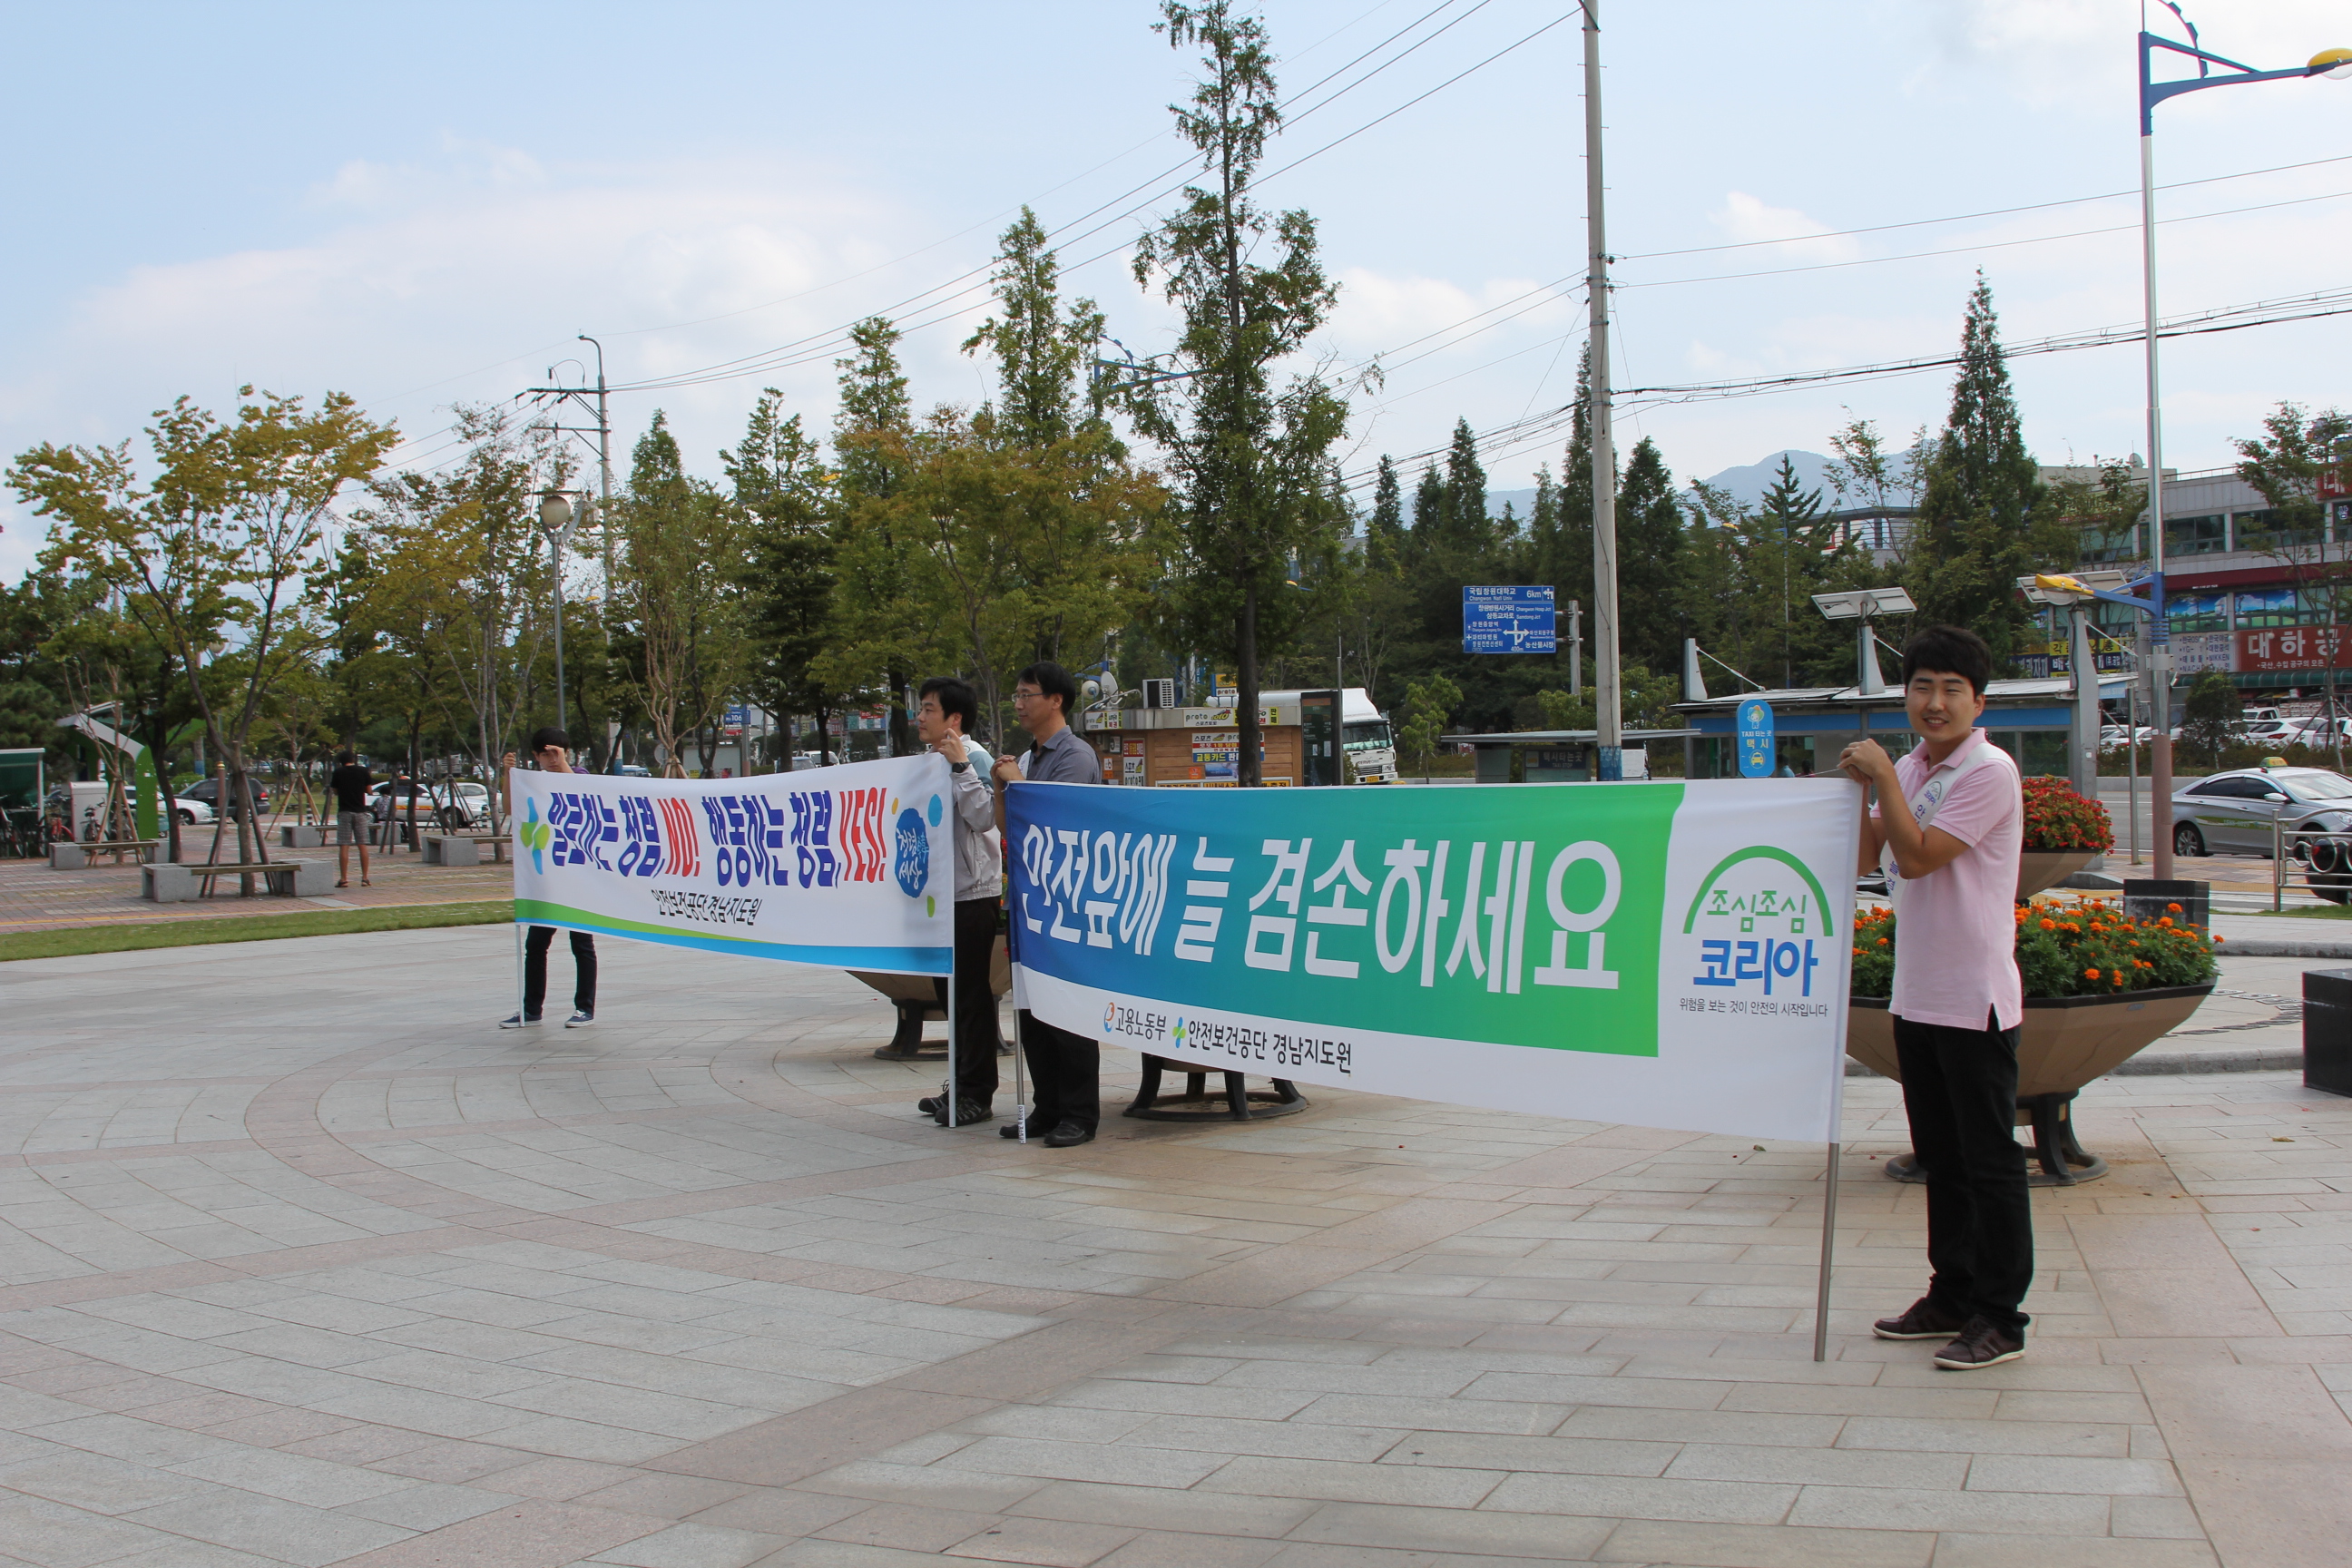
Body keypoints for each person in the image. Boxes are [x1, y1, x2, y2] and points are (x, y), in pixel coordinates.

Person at [1838, 625, 2029, 1370]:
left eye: (1952, 688)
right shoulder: (1914, 767)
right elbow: (1868, 855)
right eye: (1922, 686)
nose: (1935, 701)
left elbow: (1915, 860)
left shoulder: (1989, 771)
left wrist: (1882, 776)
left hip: (1973, 998)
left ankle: (2001, 1318)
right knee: (1941, 1158)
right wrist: (1864, 790)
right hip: (1918, 993)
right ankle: (1951, 1294)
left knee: (1989, 1163)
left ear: (1979, 701)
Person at [991, 662, 1103, 1148]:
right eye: (1016, 695)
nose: (1019, 703)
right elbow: (1009, 824)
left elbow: (1057, 820)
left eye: (1026, 694)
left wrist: (1017, 781)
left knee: (1069, 1012)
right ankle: (1046, 1107)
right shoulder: (1030, 758)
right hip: (1030, 900)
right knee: (1033, 1011)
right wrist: (1003, 785)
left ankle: (1080, 1114)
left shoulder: (1074, 755)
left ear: (1055, 700)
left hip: (1068, 903)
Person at [914, 676, 1002, 1128]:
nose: (920, 717)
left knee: (970, 997)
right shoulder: (926, 762)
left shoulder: (975, 758)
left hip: (972, 895)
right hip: (937, 899)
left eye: (929, 709)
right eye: (920, 708)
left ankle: (978, 1093)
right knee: (949, 994)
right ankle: (959, 1081)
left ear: (954, 718)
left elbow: (987, 816)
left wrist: (961, 768)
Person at [499, 727, 598, 1030]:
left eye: (556, 753)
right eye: (545, 754)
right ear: (536, 755)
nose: (551, 759)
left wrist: (562, 762)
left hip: (578, 877)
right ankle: (531, 1009)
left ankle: (584, 1008)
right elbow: (509, 809)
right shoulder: (532, 783)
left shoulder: (578, 775)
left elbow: (579, 792)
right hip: (546, 880)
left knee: (582, 944)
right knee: (536, 944)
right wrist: (508, 774)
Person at [328, 750, 373, 888]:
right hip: (360, 811)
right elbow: (369, 790)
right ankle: (365, 878)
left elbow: (335, 791)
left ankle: (343, 879)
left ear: (340, 761)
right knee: (362, 845)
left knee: (344, 845)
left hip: (344, 811)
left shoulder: (338, 772)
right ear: (353, 759)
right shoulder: (363, 771)